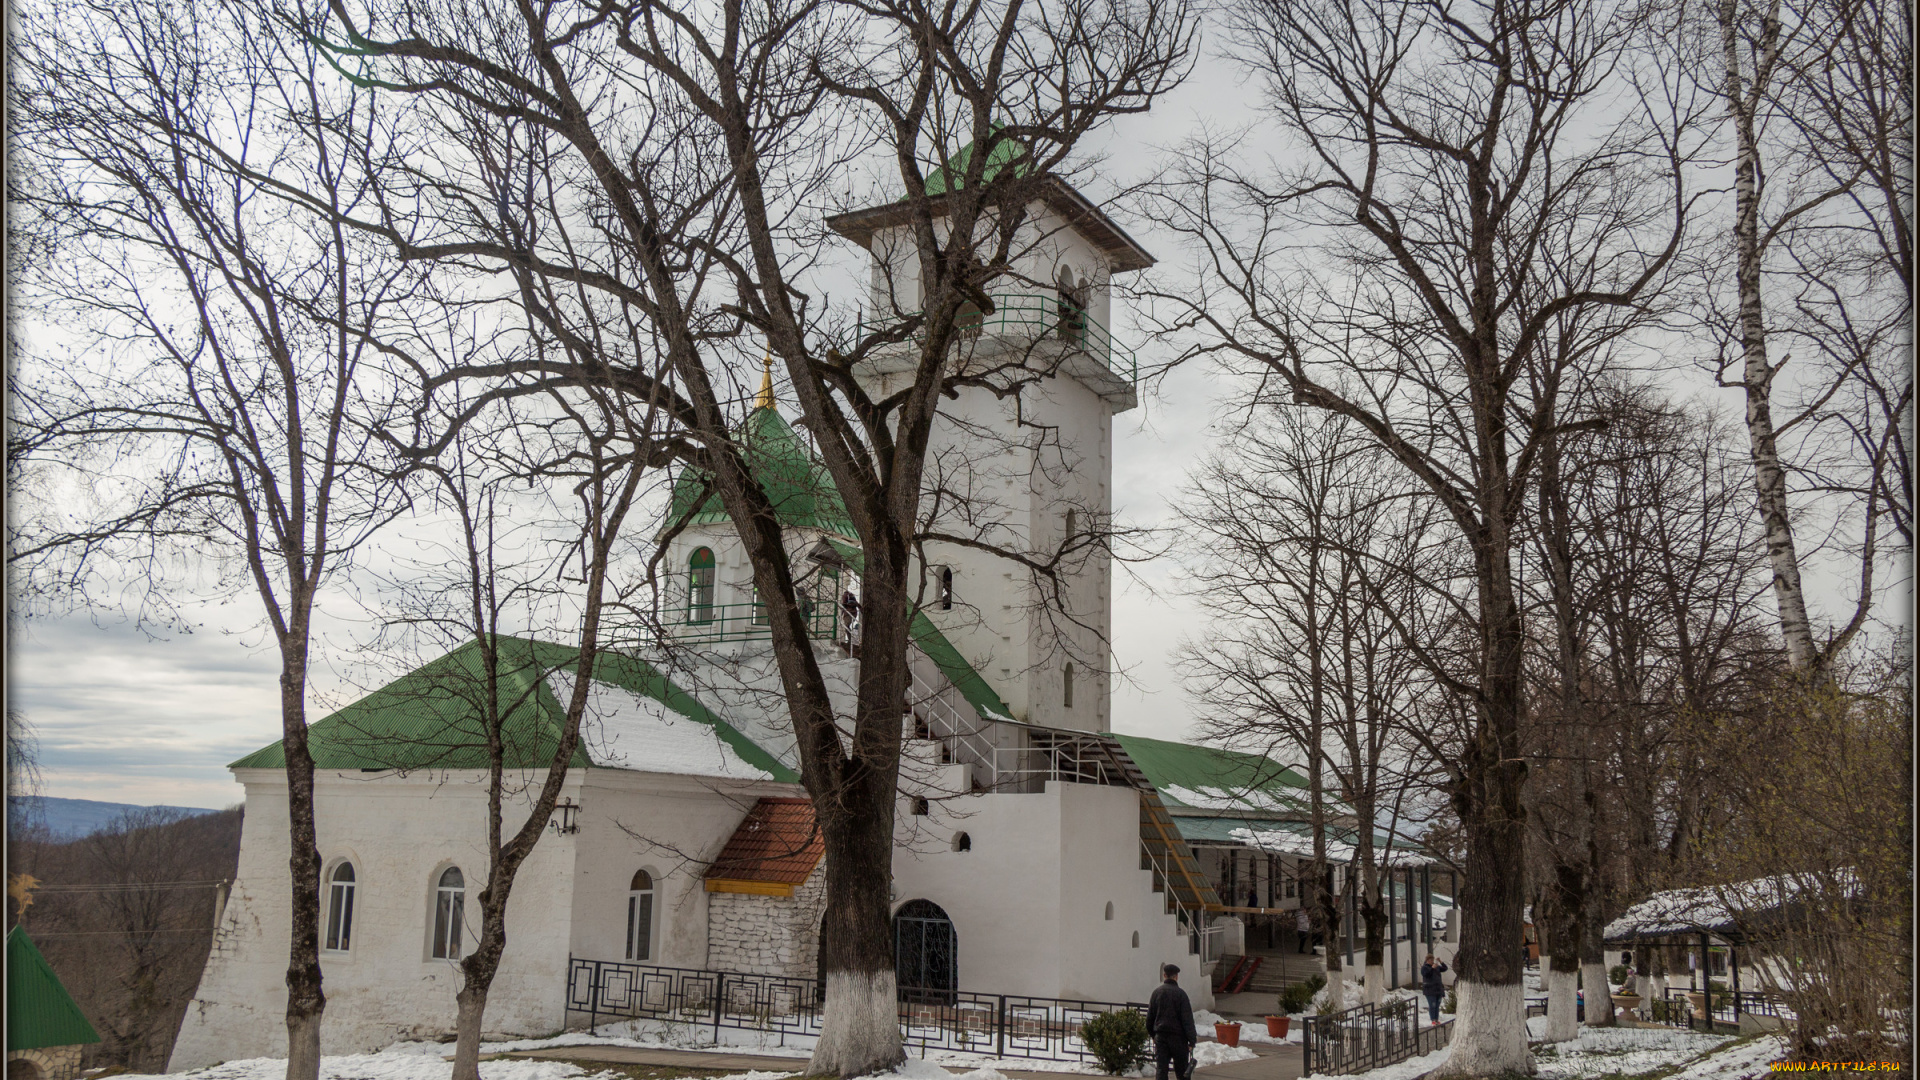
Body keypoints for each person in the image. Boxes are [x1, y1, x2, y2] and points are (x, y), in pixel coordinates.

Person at [1147, 964, 1197, 1080]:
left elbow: (1150, 1019)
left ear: (1164, 975)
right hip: (1179, 1039)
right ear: (1176, 977)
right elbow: (1187, 1020)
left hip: (1161, 1036)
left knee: (1161, 1070)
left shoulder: (1156, 993)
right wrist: (1192, 1041)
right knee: (1182, 1071)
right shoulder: (1181, 994)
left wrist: (1153, 1035)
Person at [1420, 954, 1449, 1026]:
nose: (1432, 961)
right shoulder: (1425, 968)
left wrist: (1441, 962)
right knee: (1432, 1005)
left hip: (1438, 989)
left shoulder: (1437, 967)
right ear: (1427, 960)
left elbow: (1445, 968)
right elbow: (1426, 974)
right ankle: (1433, 1019)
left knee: (1437, 1005)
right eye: (1430, 960)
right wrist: (1432, 968)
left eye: (1433, 960)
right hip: (1430, 990)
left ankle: (1436, 1019)